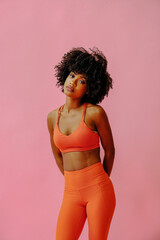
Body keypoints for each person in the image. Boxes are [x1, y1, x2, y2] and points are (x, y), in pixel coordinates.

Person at [47, 47, 116, 240]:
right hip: (71, 191)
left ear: (90, 88)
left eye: (82, 81)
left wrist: (99, 180)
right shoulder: (52, 117)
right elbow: (58, 155)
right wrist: (74, 180)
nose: (73, 82)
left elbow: (109, 151)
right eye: (72, 75)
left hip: (98, 189)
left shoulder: (95, 113)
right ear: (65, 76)